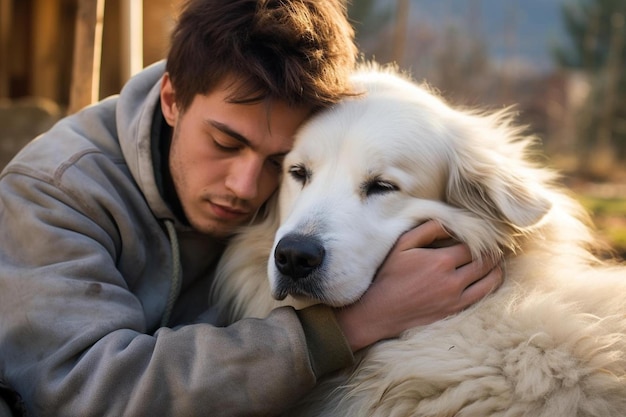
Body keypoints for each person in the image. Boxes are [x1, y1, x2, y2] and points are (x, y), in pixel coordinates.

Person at [0, 0, 503, 416]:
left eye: (282, 162)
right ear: (173, 99)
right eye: (224, 142)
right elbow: (84, 392)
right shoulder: (52, 193)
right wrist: (346, 327)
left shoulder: (292, 191)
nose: (244, 187)